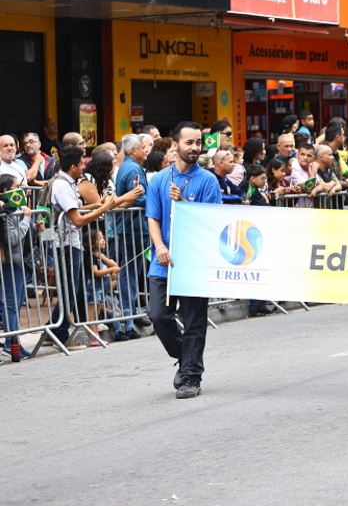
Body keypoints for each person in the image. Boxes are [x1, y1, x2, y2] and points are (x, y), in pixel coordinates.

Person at [146, 121, 221, 399]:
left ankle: (191, 375)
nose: (195, 148)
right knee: (158, 315)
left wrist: (185, 205)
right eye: (189, 142)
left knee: (194, 322)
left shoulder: (208, 180)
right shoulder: (159, 180)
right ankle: (186, 357)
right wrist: (160, 246)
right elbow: (152, 217)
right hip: (162, 261)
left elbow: (211, 223)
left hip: (193, 263)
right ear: (175, 145)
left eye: (198, 142)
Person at [46, 146, 138, 349]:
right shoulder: (62, 185)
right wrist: (103, 208)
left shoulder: (67, 182)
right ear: (73, 166)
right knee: (71, 290)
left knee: (75, 289)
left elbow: (75, 210)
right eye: (81, 164)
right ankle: (57, 333)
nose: (83, 167)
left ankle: (58, 330)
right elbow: (77, 220)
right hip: (67, 243)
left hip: (72, 242)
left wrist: (94, 206)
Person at [0, 174, 44, 358]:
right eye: (17, 186)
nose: (22, 189)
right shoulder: (7, 209)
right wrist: (26, 219)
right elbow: (12, 238)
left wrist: (36, 225)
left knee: (16, 303)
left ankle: (13, 342)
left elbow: (24, 233)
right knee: (11, 303)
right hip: (9, 261)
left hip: (19, 261)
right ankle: (12, 344)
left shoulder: (16, 207)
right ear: (6, 191)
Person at [115, 134, 152, 340]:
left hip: (134, 228)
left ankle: (129, 320)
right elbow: (137, 197)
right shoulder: (132, 168)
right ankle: (127, 322)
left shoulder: (130, 167)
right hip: (133, 229)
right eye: (142, 147)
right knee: (128, 275)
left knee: (130, 275)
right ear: (133, 151)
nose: (145, 151)